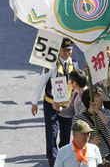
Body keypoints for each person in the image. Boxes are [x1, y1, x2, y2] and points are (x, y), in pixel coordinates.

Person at [31, 38, 78, 166]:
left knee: (65, 132)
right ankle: (52, 159)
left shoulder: (74, 63)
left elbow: (77, 84)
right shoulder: (51, 64)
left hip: (67, 105)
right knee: (52, 131)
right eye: (64, 50)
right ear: (58, 50)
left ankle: (63, 157)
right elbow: (41, 82)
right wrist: (34, 103)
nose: (67, 53)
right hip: (51, 104)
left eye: (69, 50)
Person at [76, 87, 110, 165]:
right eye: (98, 96)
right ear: (90, 100)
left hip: (106, 155)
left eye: (101, 96)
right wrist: (91, 143)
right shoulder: (79, 118)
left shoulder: (107, 112)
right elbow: (78, 141)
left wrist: (98, 111)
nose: (101, 98)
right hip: (90, 156)